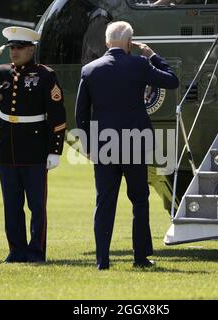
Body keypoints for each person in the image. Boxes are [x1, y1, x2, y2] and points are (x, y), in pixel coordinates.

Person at [75, 21, 179, 270]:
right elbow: (172, 81)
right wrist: (152, 54)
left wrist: (87, 144)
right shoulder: (140, 64)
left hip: (104, 146)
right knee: (139, 200)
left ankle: (102, 261)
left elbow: (81, 113)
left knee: (104, 202)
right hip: (135, 144)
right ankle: (140, 257)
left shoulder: (90, 70)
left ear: (107, 42)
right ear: (130, 43)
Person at [0, 26, 66, 263]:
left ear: (31, 49)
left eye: (19, 48)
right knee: (12, 205)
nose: (14, 52)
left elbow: (58, 116)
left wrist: (55, 150)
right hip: (6, 149)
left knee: (37, 206)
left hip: (35, 149)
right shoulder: (2, 72)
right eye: (12, 48)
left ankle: (36, 251)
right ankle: (16, 251)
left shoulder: (45, 75)